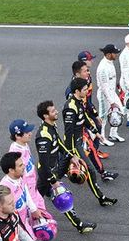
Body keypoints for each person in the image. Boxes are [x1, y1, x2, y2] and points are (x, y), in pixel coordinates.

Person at [0, 151, 59, 241]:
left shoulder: (20, 178)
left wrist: (33, 209)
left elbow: (26, 193)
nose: (24, 166)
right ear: (10, 170)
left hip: (24, 222)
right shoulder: (5, 188)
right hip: (15, 227)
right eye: (20, 165)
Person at [34, 100, 98, 234]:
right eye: (52, 111)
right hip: (46, 176)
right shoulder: (43, 136)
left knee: (59, 199)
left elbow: (60, 144)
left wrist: (71, 156)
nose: (56, 111)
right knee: (36, 204)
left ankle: (79, 225)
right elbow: (44, 163)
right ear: (45, 116)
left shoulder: (52, 126)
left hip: (51, 172)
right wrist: (53, 181)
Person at [63, 78, 120, 203]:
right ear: (77, 91)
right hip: (73, 145)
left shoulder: (80, 102)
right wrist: (71, 154)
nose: (87, 91)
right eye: (84, 90)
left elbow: (85, 119)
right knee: (90, 170)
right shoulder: (70, 108)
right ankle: (101, 198)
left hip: (79, 141)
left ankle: (45, 187)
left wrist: (96, 133)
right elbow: (68, 134)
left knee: (57, 173)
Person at [96, 44, 125, 143]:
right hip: (105, 95)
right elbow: (104, 88)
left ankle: (113, 134)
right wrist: (111, 102)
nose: (116, 54)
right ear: (108, 54)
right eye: (114, 53)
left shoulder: (110, 62)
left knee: (120, 111)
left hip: (112, 93)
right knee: (103, 118)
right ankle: (102, 138)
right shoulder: (103, 68)